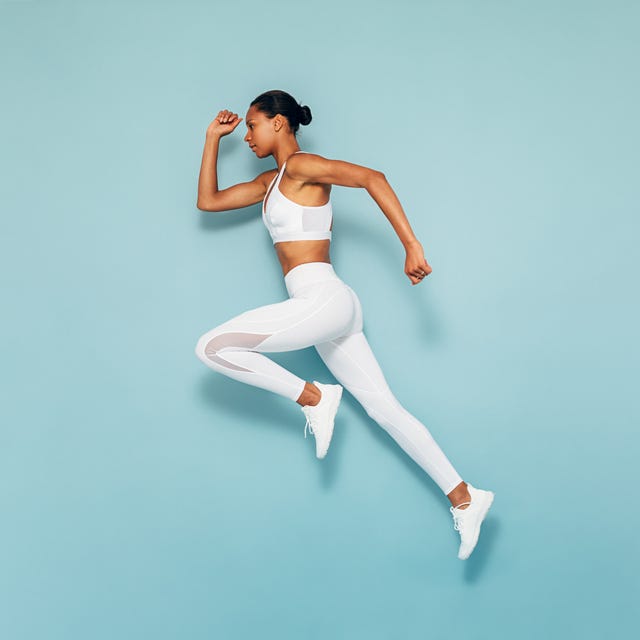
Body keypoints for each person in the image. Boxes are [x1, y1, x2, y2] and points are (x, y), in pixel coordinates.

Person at [194, 89, 494, 560]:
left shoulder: (301, 166)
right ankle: (465, 497)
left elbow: (372, 177)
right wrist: (213, 138)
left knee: (212, 348)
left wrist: (411, 246)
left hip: (324, 300)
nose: (246, 136)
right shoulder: (270, 182)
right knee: (385, 410)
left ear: (278, 123)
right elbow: (208, 202)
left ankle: (314, 396)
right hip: (329, 307)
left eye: (252, 126)